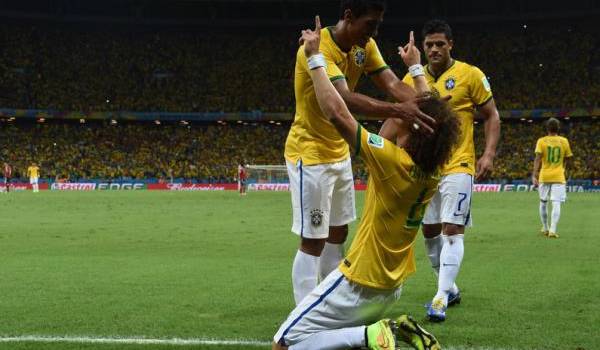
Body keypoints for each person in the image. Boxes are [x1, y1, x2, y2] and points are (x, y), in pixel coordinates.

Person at [273, 16, 459, 350]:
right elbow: (431, 111)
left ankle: (365, 333)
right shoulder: (432, 170)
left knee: (284, 343)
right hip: (392, 286)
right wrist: (416, 71)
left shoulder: (390, 162)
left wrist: (313, 57)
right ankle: (341, 315)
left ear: (415, 133)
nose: (403, 115)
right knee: (323, 236)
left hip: (362, 281)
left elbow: (338, 111)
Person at [285, 0, 437, 305]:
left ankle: (326, 302)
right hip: (310, 153)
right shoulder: (318, 49)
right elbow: (344, 99)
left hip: (339, 152)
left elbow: (392, 83)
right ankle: (302, 313)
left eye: (378, 25)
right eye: (370, 24)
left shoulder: (363, 47)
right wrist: (401, 111)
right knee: (313, 239)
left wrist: (428, 109)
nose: (374, 31)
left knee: (337, 233)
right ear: (348, 16)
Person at [400, 19, 501, 322]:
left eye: (439, 44)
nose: (433, 49)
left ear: (450, 45)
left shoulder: (470, 75)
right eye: (428, 44)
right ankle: (450, 287)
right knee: (429, 231)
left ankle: (441, 297)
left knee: (452, 229)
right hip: (425, 168)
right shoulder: (410, 80)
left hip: (459, 163)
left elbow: (492, 115)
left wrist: (488, 154)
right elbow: (403, 123)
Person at [532, 118, 573, 238]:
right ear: (558, 128)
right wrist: (565, 169)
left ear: (547, 128)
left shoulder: (541, 141)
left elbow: (538, 159)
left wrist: (535, 174)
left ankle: (545, 227)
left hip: (544, 176)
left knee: (543, 202)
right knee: (556, 203)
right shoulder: (564, 141)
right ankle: (552, 230)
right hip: (559, 176)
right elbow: (569, 158)